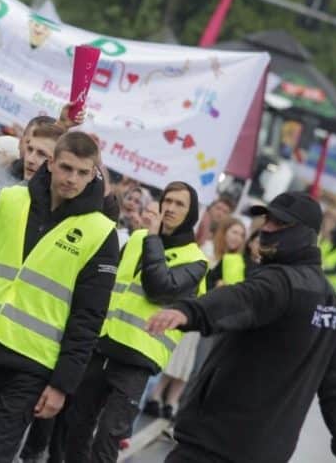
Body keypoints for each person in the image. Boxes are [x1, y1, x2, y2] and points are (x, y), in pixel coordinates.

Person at [148, 191, 336, 463]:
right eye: (266, 220)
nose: (266, 228)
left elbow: (241, 297)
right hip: (264, 452)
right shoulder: (330, 302)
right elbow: (335, 383)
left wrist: (190, 311)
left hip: (214, 443)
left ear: (305, 233)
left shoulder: (282, 282)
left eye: (278, 224)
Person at [0, 131, 119, 463]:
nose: (72, 179)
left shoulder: (101, 232)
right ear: (51, 164)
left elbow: (88, 317)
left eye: (83, 172)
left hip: (32, 365)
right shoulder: (9, 199)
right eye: (66, 168)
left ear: (94, 172)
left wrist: (63, 385)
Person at [63, 181, 208, 462]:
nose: (170, 208)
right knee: (76, 425)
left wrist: (153, 238)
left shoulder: (196, 260)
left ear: (191, 215)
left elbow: (159, 288)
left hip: (137, 358)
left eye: (180, 204)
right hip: (103, 345)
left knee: (108, 436)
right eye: (168, 200)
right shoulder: (137, 239)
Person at [204, 217, 248, 287]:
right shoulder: (207, 247)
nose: (238, 238)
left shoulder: (235, 260)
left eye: (242, 235)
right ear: (224, 232)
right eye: (234, 232)